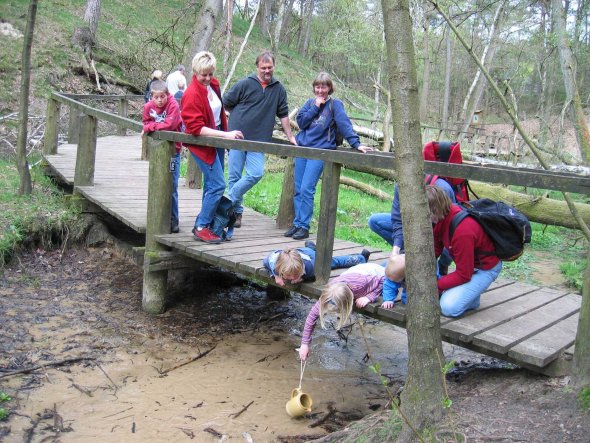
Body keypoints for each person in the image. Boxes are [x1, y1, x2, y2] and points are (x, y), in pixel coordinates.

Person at [284, 72, 372, 240]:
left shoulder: (335, 105)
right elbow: (302, 123)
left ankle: (303, 226)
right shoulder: (309, 103)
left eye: (324, 86)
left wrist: (356, 143)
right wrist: (315, 107)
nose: (320, 90)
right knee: (298, 189)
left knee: (306, 189)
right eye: (317, 86)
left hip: (320, 151)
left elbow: (344, 124)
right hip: (303, 149)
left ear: (330, 88)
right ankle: (297, 224)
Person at [223, 51, 297, 229]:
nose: (267, 71)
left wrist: (290, 136)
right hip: (237, 138)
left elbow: (284, 115)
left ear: (274, 67)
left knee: (256, 173)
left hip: (259, 140)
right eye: (263, 68)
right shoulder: (245, 84)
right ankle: (235, 214)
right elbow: (226, 102)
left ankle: (227, 199)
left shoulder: (278, 89)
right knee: (234, 176)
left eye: (270, 67)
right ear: (257, 67)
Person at [181, 51, 244, 244]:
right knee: (218, 184)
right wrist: (226, 134)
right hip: (203, 142)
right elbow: (195, 128)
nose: (208, 78)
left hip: (216, 137)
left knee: (211, 185)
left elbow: (215, 111)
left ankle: (207, 224)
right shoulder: (191, 94)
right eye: (203, 75)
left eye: (210, 73)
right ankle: (201, 226)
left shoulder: (213, 85)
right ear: (195, 72)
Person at [427, 185, 502, 317]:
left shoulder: (463, 231)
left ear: (435, 209)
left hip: (484, 269)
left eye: (427, 213)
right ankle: (469, 293)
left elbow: (463, 274)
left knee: (448, 307)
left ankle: (472, 300)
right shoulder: (441, 218)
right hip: (469, 266)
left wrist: (435, 286)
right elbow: (435, 249)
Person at [298, 262, 386, 361]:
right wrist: (304, 344)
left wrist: (369, 297)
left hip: (375, 273)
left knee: (393, 270)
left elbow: (383, 280)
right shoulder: (328, 294)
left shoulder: (361, 284)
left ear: (347, 303)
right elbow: (311, 318)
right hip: (354, 273)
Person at [142, 80, 182, 233]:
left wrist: (151, 127)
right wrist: (149, 126)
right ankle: (157, 217)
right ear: (151, 96)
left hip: (173, 151)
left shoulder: (173, 105)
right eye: (156, 97)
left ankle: (173, 219)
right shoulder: (148, 107)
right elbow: (145, 121)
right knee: (158, 182)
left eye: (162, 97)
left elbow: (171, 125)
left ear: (167, 94)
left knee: (172, 185)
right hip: (158, 151)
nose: (159, 100)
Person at [263, 240, 371, 286]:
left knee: (333, 262)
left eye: (295, 275)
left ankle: (360, 258)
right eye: (288, 275)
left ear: (301, 271)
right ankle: (311, 247)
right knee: (311, 251)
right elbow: (266, 262)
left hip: (311, 258)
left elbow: (316, 276)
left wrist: (303, 278)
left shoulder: (311, 268)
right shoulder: (275, 260)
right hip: (299, 252)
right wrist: (276, 275)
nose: (291, 278)